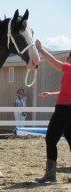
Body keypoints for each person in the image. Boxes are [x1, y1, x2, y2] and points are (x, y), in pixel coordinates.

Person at [35, 40, 71, 183]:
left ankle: (50, 175)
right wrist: (51, 94)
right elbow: (66, 91)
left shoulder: (69, 68)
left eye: (68, 58)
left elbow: (54, 62)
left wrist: (41, 49)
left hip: (63, 110)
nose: (67, 60)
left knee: (50, 139)